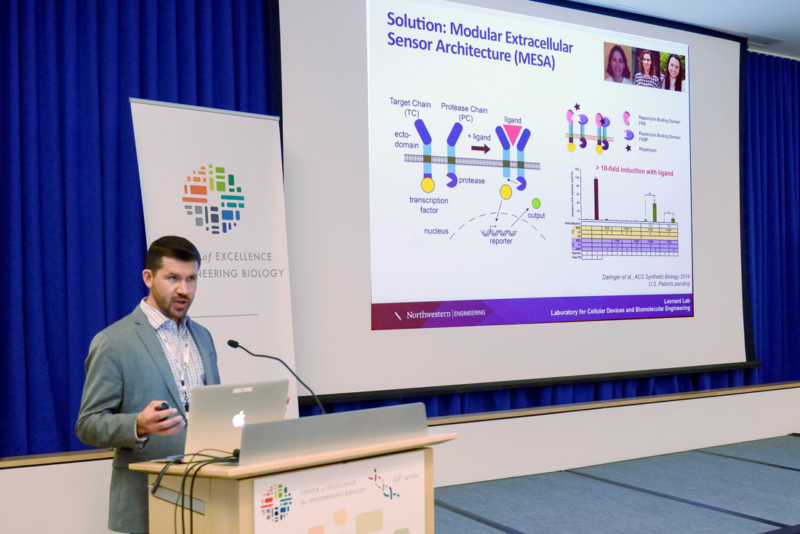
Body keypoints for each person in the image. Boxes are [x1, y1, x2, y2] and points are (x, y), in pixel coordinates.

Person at [76, 235, 221, 534]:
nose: (184, 290)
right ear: (148, 278)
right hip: (148, 502)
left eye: (191, 279)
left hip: (208, 496)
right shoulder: (113, 342)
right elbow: (88, 425)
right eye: (173, 278)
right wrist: (138, 425)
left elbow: (209, 410)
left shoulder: (203, 336)